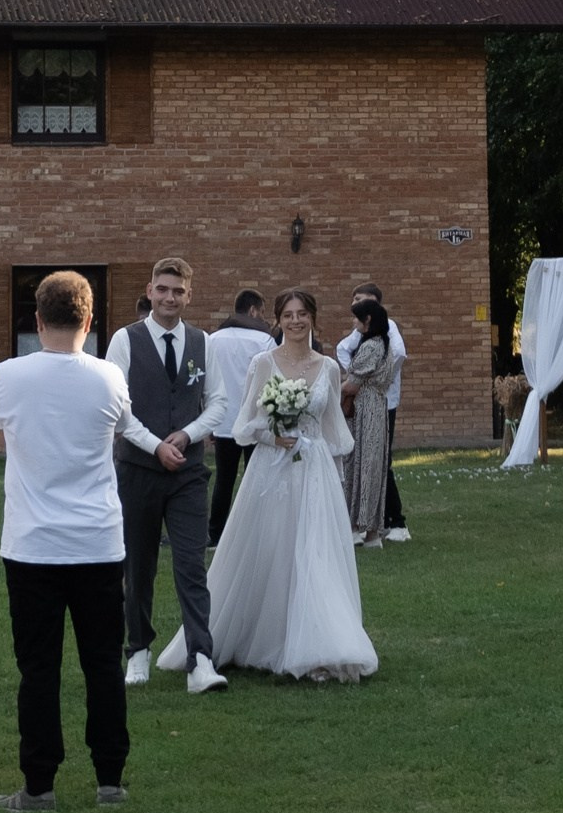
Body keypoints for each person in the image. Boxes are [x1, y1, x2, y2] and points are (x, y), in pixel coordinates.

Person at [0, 267, 133, 812]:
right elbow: (114, 431)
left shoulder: (8, 375)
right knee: (103, 665)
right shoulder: (109, 377)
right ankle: (110, 781)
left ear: (37, 319)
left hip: (33, 544)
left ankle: (38, 787)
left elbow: (1, 437)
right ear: (89, 321)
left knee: (38, 669)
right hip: (97, 542)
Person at [199, 286, 377, 681]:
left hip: (313, 470)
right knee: (270, 550)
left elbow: (334, 427)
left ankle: (316, 646)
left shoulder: (328, 367)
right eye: (288, 315)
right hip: (270, 469)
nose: (295, 321)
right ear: (276, 320)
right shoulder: (263, 363)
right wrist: (271, 435)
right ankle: (253, 638)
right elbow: (243, 424)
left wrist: (334, 471)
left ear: (312, 317)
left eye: (302, 314)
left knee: (313, 555)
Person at [103, 254, 230, 695]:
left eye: (178, 291)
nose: (169, 297)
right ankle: (137, 650)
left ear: (189, 294)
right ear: (150, 290)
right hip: (138, 469)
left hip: (189, 473)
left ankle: (201, 660)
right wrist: (155, 445)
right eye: (162, 289)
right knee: (137, 564)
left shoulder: (202, 342)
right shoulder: (125, 340)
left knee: (192, 565)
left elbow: (218, 401)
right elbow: (117, 408)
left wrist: (188, 434)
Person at [338, 278, 410, 539]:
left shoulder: (381, 335)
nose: (354, 306)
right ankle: (365, 522)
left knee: (372, 463)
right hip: (370, 401)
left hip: (375, 404)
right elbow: (342, 349)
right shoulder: (365, 337)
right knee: (361, 462)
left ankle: (384, 523)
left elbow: (398, 355)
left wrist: (374, 378)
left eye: (359, 301)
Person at [204, 290, 273, 542]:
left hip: (223, 419)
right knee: (256, 477)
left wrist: (208, 420)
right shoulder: (264, 340)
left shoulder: (213, 339)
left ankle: (216, 532)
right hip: (255, 419)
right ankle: (255, 531)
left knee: (224, 478)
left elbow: (207, 383)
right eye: (262, 312)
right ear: (253, 310)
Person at [339, 297, 395, 547]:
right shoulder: (384, 344)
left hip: (365, 410)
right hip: (376, 407)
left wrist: (329, 389)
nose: (353, 322)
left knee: (359, 464)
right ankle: (371, 531)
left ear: (368, 320)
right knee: (372, 466)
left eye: (356, 318)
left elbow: (352, 384)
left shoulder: (371, 346)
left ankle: (356, 526)